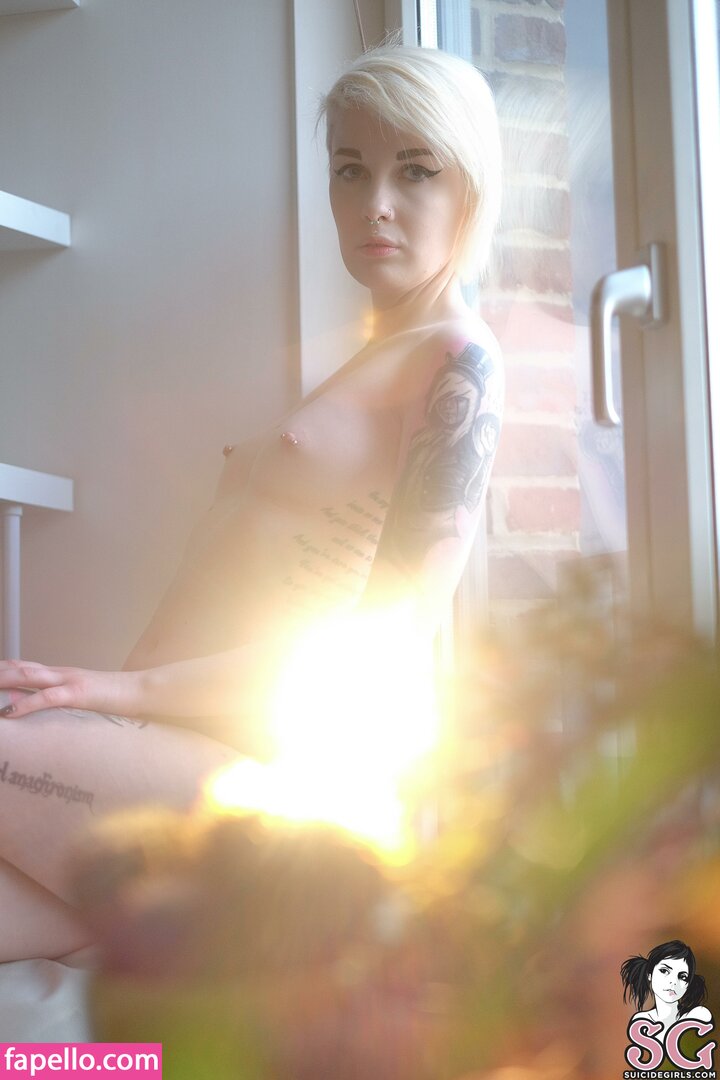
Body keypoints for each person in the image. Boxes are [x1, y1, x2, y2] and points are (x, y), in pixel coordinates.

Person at [0, 44, 503, 963]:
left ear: (471, 187)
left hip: (254, 777)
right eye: (349, 170)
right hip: (165, 756)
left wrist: (119, 688)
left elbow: (390, 641)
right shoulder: (376, 357)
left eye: (414, 171)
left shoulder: (458, 360)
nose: (374, 202)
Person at [621, 940, 712, 1039]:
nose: (673, 982)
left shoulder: (698, 1015)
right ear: (649, 974)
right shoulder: (642, 1021)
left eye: (682, 977)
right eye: (664, 971)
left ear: (688, 984)